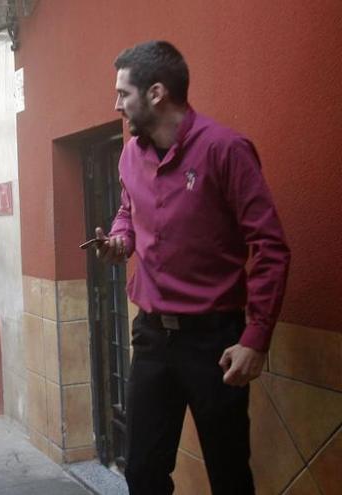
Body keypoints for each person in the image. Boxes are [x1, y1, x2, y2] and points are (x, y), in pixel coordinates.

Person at [96, 41, 291, 494]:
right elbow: (128, 209)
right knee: (141, 471)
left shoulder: (226, 149)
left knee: (228, 475)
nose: (117, 105)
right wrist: (120, 238)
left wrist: (255, 339)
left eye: (123, 94)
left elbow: (270, 245)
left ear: (157, 93)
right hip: (151, 338)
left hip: (214, 342)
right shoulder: (129, 156)